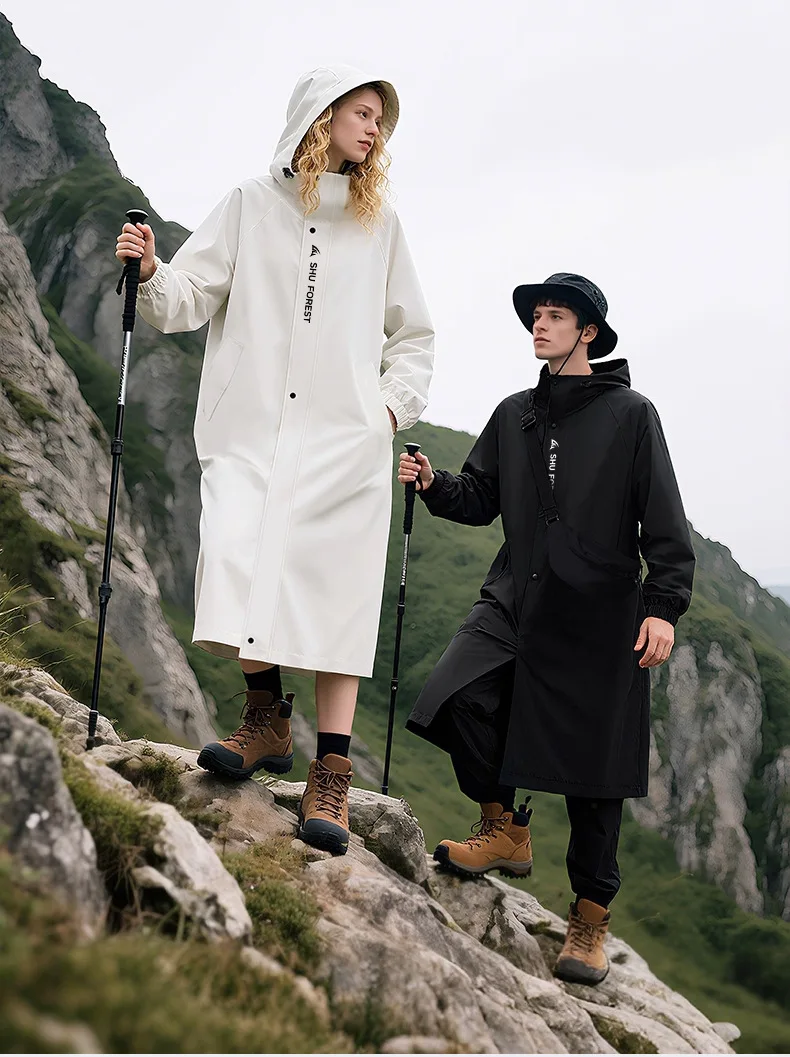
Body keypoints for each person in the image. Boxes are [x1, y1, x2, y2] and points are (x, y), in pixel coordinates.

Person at [115, 65, 434, 856]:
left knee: (335, 596)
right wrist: (150, 271)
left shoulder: (381, 225)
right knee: (236, 554)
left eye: (381, 120)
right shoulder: (249, 205)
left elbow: (414, 335)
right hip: (251, 430)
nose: (375, 129)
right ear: (320, 115)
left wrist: (384, 412)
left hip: (343, 444)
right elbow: (189, 295)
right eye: (363, 113)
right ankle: (264, 717)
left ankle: (332, 773)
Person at [398, 273, 694, 984]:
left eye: (555, 316)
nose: (540, 325)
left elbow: (663, 518)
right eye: (536, 315)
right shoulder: (515, 414)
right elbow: (481, 497)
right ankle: (502, 826)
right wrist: (434, 483)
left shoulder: (631, 415)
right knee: (452, 696)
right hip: (516, 599)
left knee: (596, 775)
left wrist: (662, 606)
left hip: (602, 615)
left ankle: (588, 920)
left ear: (588, 332)